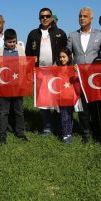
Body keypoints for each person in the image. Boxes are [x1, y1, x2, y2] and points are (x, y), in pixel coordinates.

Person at [26, 7, 67, 135]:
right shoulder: (33, 34)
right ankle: (47, 127)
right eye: (42, 16)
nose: (45, 18)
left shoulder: (60, 33)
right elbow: (28, 54)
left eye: (47, 16)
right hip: (40, 72)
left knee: (57, 100)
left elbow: (66, 52)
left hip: (57, 72)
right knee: (43, 101)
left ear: (51, 18)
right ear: (39, 18)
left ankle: (59, 126)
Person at [67, 6, 101, 143]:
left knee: (95, 106)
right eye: (80, 16)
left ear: (91, 19)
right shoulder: (72, 35)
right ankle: (86, 133)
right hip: (79, 77)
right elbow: (67, 53)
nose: (81, 18)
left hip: (94, 78)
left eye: (84, 16)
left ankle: (97, 132)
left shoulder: (99, 35)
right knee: (83, 107)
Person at [0, 29, 29, 144]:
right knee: (4, 111)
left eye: (14, 41)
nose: (12, 44)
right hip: (4, 86)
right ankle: (2, 134)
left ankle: (20, 132)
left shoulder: (20, 50)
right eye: (10, 42)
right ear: (4, 41)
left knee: (19, 110)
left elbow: (24, 66)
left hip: (17, 85)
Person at [57, 47, 77, 144]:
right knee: (64, 115)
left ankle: (69, 133)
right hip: (61, 96)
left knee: (70, 114)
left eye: (64, 57)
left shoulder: (73, 67)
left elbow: (77, 79)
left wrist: (77, 72)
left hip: (71, 95)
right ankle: (65, 135)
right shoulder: (57, 68)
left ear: (69, 57)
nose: (62, 59)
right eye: (60, 57)